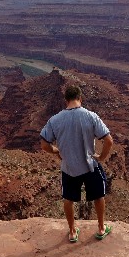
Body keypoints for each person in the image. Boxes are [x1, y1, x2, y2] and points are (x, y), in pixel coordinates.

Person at [40, 85, 114, 243]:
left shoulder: (55, 120)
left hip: (69, 167)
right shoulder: (90, 116)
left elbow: (44, 145)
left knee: (69, 199)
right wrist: (101, 157)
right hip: (90, 165)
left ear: (65, 100)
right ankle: (101, 228)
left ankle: (73, 232)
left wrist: (56, 151)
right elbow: (108, 141)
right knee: (99, 196)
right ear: (80, 98)